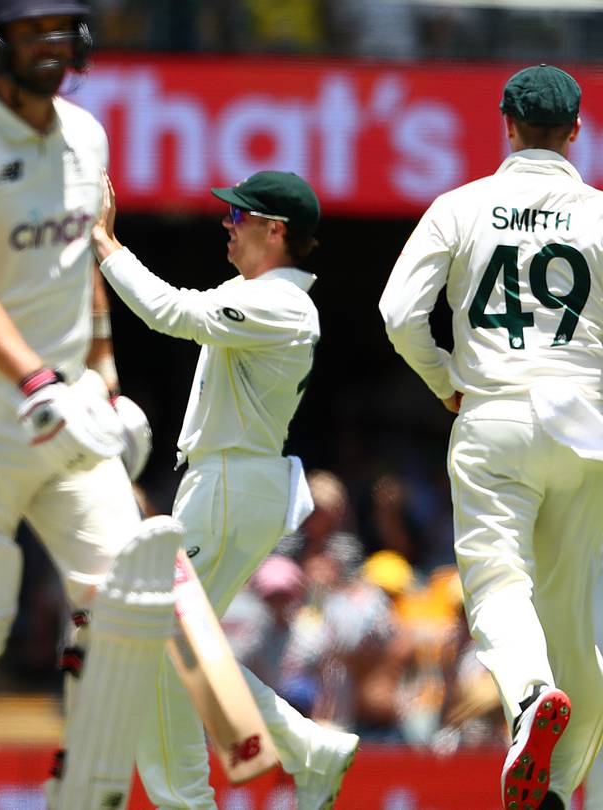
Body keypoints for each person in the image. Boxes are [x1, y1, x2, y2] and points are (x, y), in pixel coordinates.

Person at [0, 2, 178, 807]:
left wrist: (104, 373)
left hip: (69, 411)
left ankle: (86, 792)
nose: (52, 45)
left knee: (131, 589)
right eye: (33, 32)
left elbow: (80, 261)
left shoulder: (87, 136)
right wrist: (36, 382)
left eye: (63, 28)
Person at [93, 168, 359, 808]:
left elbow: (169, 312)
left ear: (276, 231)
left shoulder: (282, 303)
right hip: (228, 480)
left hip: (234, 480)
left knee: (169, 635)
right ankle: (251, 769)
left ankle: (289, 752)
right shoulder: (262, 294)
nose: (226, 225)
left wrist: (105, 242)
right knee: (170, 643)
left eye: (239, 217)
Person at [380, 63, 603, 810]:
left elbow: (397, 312)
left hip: (494, 414)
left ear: (505, 123)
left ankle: (531, 695)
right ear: (575, 131)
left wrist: (444, 378)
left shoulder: (461, 206)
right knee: (574, 610)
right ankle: (561, 784)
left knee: (500, 584)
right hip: (586, 424)